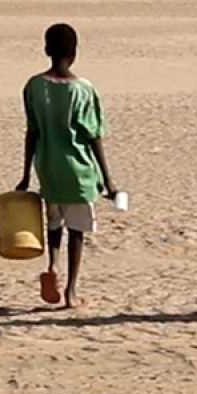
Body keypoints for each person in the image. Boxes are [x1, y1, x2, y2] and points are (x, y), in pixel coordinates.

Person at [18, 22, 115, 309]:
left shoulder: (34, 86)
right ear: (75, 52)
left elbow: (32, 131)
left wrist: (25, 175)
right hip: (78, 170)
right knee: (77, 230)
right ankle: (71, 291)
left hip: (47, 167)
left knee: (54, 222)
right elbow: (93, 135)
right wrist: (109, 181)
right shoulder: (83, 90)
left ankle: (53, 263)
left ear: (46, 50)